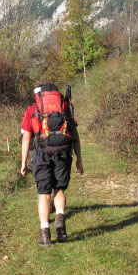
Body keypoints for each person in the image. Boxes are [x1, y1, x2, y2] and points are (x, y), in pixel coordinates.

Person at [20, 83, 84, 246]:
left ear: (40, 95)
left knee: (43, 193)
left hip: (42, 154)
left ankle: (45, 234)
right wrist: (79, 160)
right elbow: (75, 135)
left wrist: (23, 162)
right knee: (59, 190)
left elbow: (26, 138)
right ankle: (60, 224)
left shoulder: (32, 110)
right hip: (63, 152)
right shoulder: (65, 108)